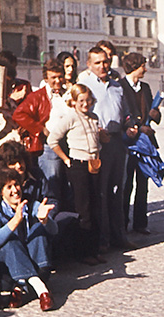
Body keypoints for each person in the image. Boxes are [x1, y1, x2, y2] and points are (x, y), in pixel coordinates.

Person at [78, 47, 132, 252]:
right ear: (89, 64)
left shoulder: (117, 86)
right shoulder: (84, 86)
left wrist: (129, 124)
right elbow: (78, 114)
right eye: (98, 62)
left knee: (117, 191)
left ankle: (119, 237)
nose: (102, 66)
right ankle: (102, 240)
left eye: (105, 62)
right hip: (98, 143)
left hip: (118, 141)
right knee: (100, 192)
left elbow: (125, 112)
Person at [47, 84, 104, 266]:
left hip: (94, 165)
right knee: (84, 210)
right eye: (81, 101)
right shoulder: (70, 117)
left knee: (96, 207)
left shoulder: (94, 117)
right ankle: (83, 252)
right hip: (78, 166)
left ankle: (94, 249)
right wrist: (65, 159)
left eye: (88, 100)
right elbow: (52, 139)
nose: (85, 104)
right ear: (73, 102)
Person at [0, 169, 57, 311]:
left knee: (38, 227)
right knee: (9, 241)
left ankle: (20, 286)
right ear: (1, 192)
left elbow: (54, 231)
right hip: (8, 270)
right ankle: (41, 289)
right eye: (9, 187)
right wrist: (15, 220)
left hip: (37, 264)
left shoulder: (30, 204)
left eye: (16, 185)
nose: (15, 190)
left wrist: (45, 220)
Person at [12, 58, 67, 215]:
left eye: (60, 76)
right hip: (50, 147)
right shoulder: (39, 96)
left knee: (66, 187)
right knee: (52, 189)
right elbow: (19, 114)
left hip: (68, 144)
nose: (57, 81)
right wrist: (40, 129)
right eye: (53, 77)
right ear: (46, 78)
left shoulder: (68, 93)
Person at [120, 52, 161, 234]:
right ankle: (122, 222)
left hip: (144, 143)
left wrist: (155, 114)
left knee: (143, 183)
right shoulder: (120, 87)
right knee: (126, 184)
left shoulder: (145, 87)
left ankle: (140, 223)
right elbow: (120, 113)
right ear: (134, 67)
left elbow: (154, 112)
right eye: (143, 65)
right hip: (128, 142)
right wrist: (134, 126)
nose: (145, 68)